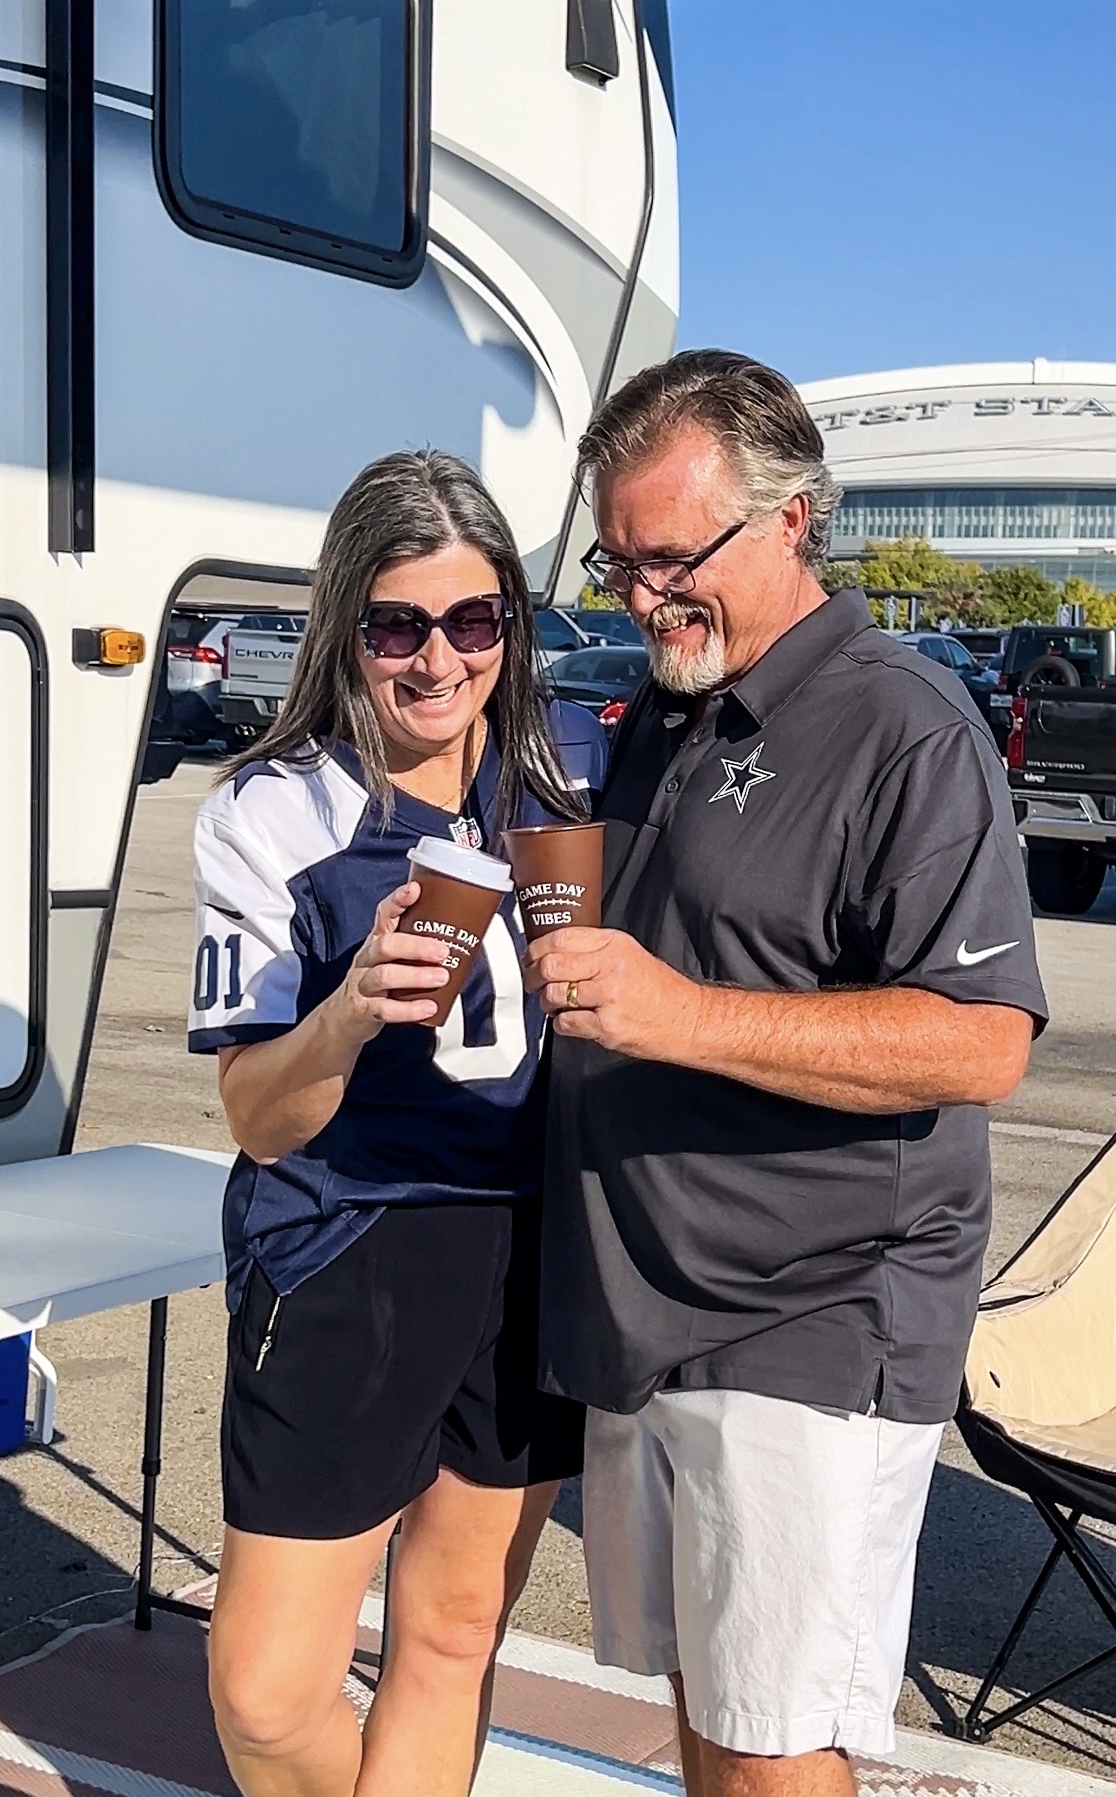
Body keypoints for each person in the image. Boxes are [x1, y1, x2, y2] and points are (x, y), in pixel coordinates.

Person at [526, 350, 1048, 1797]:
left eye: (669, 557)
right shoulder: (668, 708)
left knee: (773, 1753)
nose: (639, 596)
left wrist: (677, 1012)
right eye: (617, 559)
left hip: (810, 1311)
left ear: (793, 517)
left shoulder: (904, 725)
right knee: (710, 1714)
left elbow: (976, 1039)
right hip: (645, 1308)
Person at [188, 450, 602, 1797]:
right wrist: (349, 1009)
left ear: (511, 627)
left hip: (530, 1253)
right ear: (344, 628)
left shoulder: (564, 779)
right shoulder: (269, 808)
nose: (437, 660)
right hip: (345, 1250)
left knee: (451, 1630)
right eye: (396, 626)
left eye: (473, 621)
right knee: (265, 1692)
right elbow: (257, 1115)